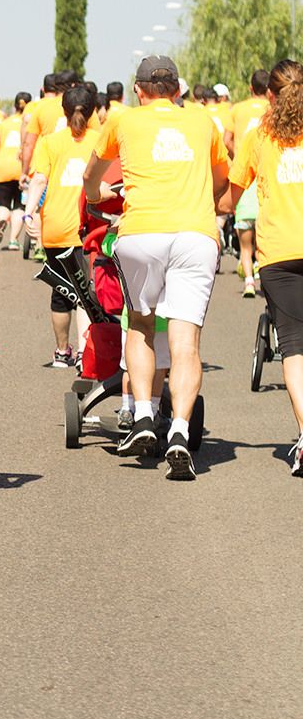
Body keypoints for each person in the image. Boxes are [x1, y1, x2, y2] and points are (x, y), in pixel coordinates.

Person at [84, 55, 229, 479]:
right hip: (196, 235)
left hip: (142, 234)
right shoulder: (204, 123)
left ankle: (144, 415)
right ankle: (180, 432)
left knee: (142, 325)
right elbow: (221, 180)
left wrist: (96, 197)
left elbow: (91, 177)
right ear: (179, 90)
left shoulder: (122, 120)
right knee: (186, 343)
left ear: (139, 90)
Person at [227, 58, 303, 476]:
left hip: (279, 256)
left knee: (295, 351)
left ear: (269, 96)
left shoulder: (261, 136)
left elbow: (232, 193)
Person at [26, 85, 99, 367]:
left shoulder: (50, 142)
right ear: (94, 110)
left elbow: (39, 180)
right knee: (87, 294)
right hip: (88, 227)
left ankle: (61, 352)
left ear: (63, 111)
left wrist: (29, 213)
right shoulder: (101, 140)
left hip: (55, 227)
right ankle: (86, 353)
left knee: (61, 291)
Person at [227, 69, 271, 297]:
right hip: (269, 177)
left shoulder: (237, 109)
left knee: (245, 245)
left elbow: (227, 140)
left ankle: (249, 282)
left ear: (251, 88)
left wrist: (240, 159)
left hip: (245, 182)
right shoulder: (274, 109)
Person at [0, 94, 27, 247]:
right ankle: (13, 240)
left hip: (2, 166)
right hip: (21, 168)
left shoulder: (4, 124)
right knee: (19, 206)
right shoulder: (30, 124)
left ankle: (2, 221)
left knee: (2, 204)